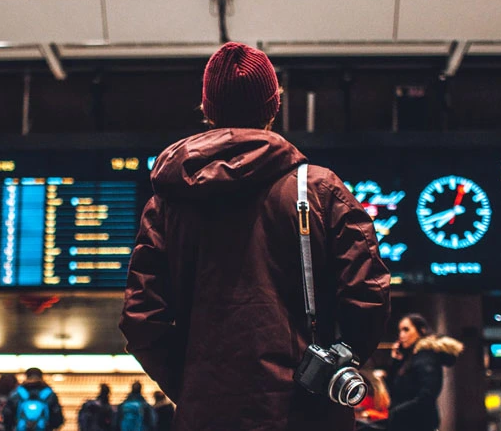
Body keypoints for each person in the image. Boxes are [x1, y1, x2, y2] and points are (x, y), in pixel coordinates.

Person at [119, 41, 390, 431]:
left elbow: (142, 320)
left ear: (208, 109)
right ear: (273, 106)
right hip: (306, 414)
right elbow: (368, 294)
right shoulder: (319, 189)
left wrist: (196, 388)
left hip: (206, 418)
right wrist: (330, 368)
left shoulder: (167, 203)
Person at [386, 313, 464, 431]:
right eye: (400, 331)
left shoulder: (425, 357)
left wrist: (397, 412)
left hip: (419, 423)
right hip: (408, 423)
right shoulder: (411, 358)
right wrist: (396, 361)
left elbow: (427, 395)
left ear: (421, 331)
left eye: (406, 330)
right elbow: (393, 389)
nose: (401, 335)